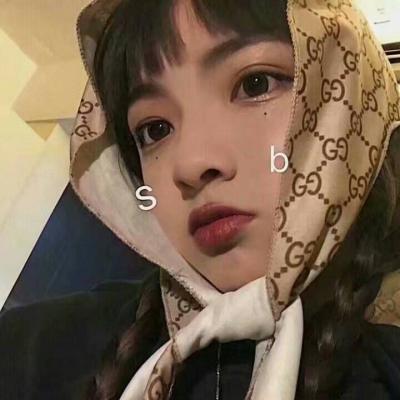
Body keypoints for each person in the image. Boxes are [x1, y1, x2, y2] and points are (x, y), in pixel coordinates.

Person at [1, 0, 400, 399]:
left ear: (353, 109)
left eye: (255, 84)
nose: (190, 164)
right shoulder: (41, 348)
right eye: (155, 129)